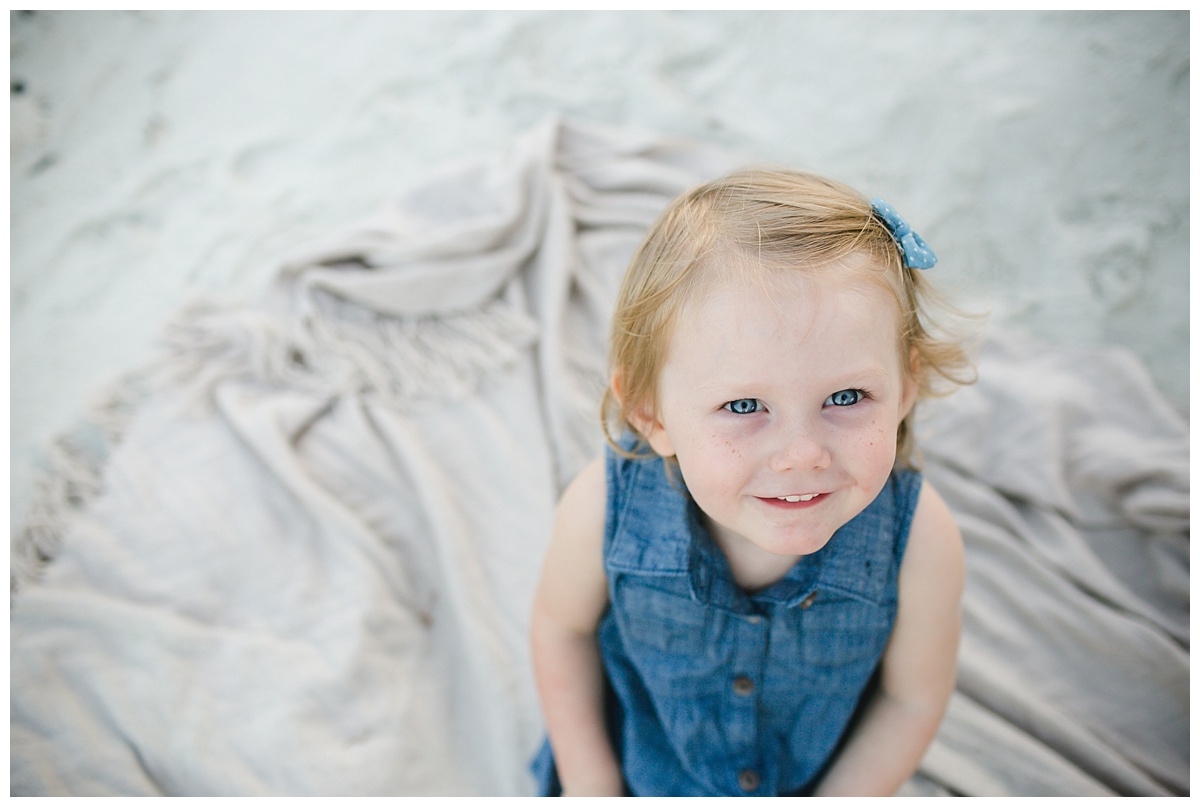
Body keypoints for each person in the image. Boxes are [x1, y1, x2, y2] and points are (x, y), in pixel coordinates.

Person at [529, 167, 973, 796]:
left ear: (907, 386)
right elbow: (561, 630)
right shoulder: (605, 507)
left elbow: (911, 702)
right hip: (642, 774)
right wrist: (591, 785)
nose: (801, 455)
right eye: (743, 407)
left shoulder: (921, 540)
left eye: (846, 396)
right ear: (651, 413)